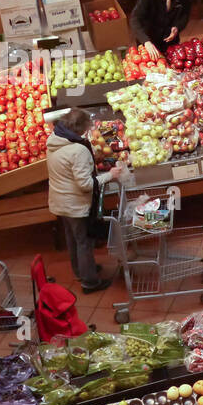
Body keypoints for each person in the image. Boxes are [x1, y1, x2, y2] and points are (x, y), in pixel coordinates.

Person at [47, 108, 125, 293]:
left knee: (72, 239)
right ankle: (90, 282)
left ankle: (81, 271)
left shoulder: (55, 140)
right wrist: (109, 175)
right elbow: (86, 185)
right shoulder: (77, 150)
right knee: (84, 242)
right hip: (75, 204)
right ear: (80, 129)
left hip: (60, 200)